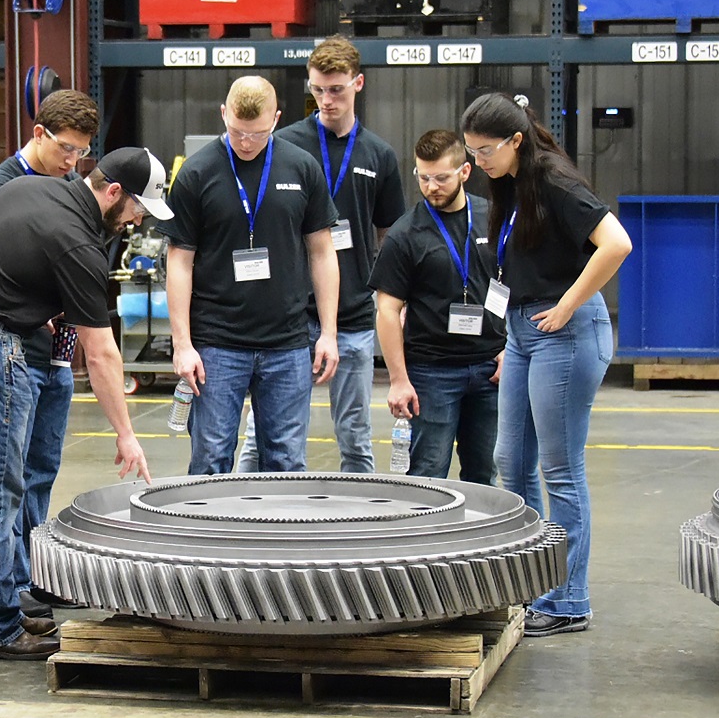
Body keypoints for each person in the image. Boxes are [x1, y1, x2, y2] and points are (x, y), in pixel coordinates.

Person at [0, 146, 171, 659]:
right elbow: (101, 354)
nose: (140, 219)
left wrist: (34, 306)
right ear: (114, 193)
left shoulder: (30, 187)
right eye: (139, 207)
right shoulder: (79, 242)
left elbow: (2, 262)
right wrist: (127, 433)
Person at [460, 92, 633, 638]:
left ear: (515, 141)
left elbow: (616, 243)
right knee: (511, 461)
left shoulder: (555, 182)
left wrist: (568, 305)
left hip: (565, 332)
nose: (478, 162)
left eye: (485, 151)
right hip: (522, 330)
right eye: (472, 151)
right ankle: (533, 584)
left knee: (559, 470)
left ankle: (568, 601)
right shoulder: (511, 185)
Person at [234, 35, 405, 473]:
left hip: (352, 319)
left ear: (358, 84)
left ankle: (356, 531)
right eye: (317, 90)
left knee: (356, 436)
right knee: (265, 436)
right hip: (288, 319)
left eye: (336, 89)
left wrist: (392, 303)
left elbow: (390, 237)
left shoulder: (378, 156)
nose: (326, 100)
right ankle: (243, 517)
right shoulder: (282, 147)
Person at [162, 75, 340, 475]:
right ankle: (209, 539)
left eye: (257, 134)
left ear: (276, 119)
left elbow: (323, 252)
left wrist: (328, 332)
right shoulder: (196, 173)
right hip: (216, 345)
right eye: (237, 132)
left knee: (287, 462)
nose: (246, 143)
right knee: (210, 461)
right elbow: (179, 261)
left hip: (288, 345)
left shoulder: (302, 167)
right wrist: (182, 344)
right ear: (223, 114)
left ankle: (279, 539)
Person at [0, 89, 99, 623]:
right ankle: (12, 585)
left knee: (42, 469)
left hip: (56, 353)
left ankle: (34, 577)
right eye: (65, 149)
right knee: (9, 476)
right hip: (13, 350)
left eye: (81, 156)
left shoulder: (68, 185)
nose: (72, 163)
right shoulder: (0, 187)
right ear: (39, 133)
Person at [369, 129, 505, 482]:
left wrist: (513, 348)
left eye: (441, 178)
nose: (432, 187)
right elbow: (386, 310)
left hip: (491, 368)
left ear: (464, 172)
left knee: (484, 477)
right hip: (432, 374)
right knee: (428, 475)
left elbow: (515, 285)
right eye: (423, 177)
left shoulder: (494, 218)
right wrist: (398, 380)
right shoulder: (405, 234)